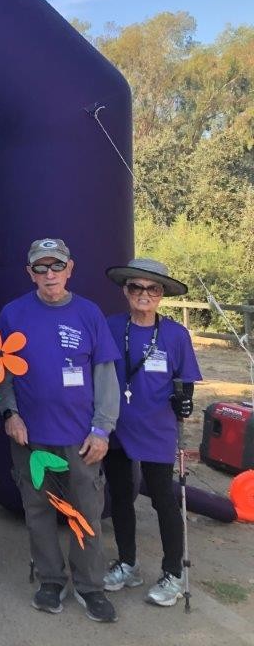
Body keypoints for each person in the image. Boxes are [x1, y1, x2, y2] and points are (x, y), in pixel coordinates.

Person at [0, 238, 120, 623]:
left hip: (81, 438)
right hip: (30, 437)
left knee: (85, 511)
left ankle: (90, 587)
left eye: (56, 266)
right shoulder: (13, 314)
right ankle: (50, 580)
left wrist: (102, 429)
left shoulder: (89, 313)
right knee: (38, 511)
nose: (49, 274)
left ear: (70, 268)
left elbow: (105, 375)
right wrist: (9, 413)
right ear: (29, 272)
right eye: (41, 267)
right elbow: (2, 373)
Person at [102, 258, 201, 607]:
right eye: (136, 287)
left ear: (161, 295)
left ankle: (173, 573)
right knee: (120, 495)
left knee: (163, 499)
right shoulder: (112, 326)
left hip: (157, 429)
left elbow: (185, 378)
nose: (143, 294)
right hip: (116, 426)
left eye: (152, 288)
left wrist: (185, 401)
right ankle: (128, 563)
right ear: (126, 291)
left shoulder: (175, 334)